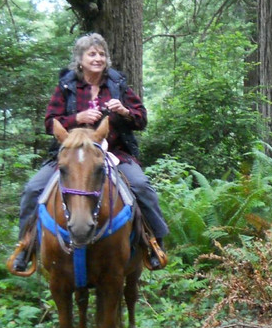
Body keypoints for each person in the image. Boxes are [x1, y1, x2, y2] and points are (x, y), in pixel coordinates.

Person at [11, 33, 168, 273]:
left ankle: (154, 243)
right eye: (92, 54)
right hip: (71, 154)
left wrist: (125, 111)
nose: (98, 58)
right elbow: (49, 122)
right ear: (80, 59)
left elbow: (141, 120)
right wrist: (77, 118)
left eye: (102, 54)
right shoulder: (67, 86)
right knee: (33, 188)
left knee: (141, 186)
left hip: (113, 152)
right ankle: (25, 246)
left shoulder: (118, 85)